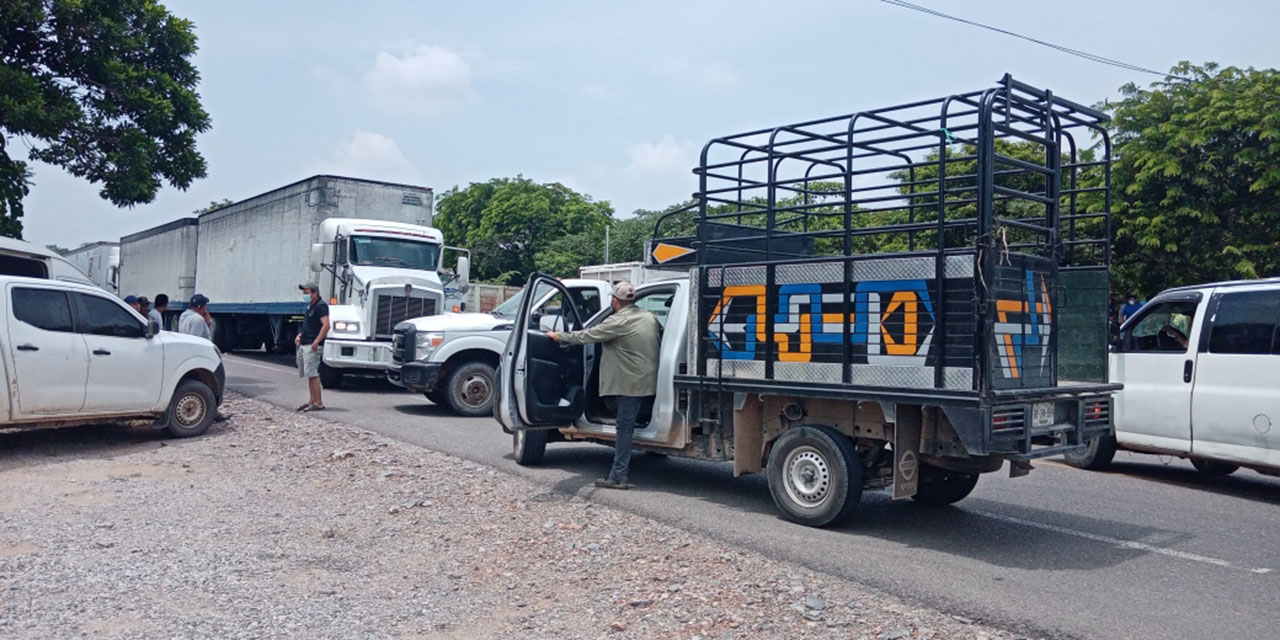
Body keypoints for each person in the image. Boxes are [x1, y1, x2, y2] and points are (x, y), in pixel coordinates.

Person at [546, 281, 660, 490]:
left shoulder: (617, 322)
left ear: (615, 301)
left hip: (628, 384)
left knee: (623, 427)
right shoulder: (650, 318)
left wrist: (558, 336)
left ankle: (618, 476)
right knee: (621, 414)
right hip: (648, 382)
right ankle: (641, 432)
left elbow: (587, 335)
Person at [295, 282, 330, 412]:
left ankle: (319, 402)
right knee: (309, 373)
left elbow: (326, 325)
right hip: (306, 341)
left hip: (312, 344)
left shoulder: (321, 306)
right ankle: (311, 400)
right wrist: (300, 335)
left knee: (313, 374)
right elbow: (310, 325)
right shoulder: (311, 306)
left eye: (307, 292)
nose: (305, 295)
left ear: (315, 293)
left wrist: (316, 341)